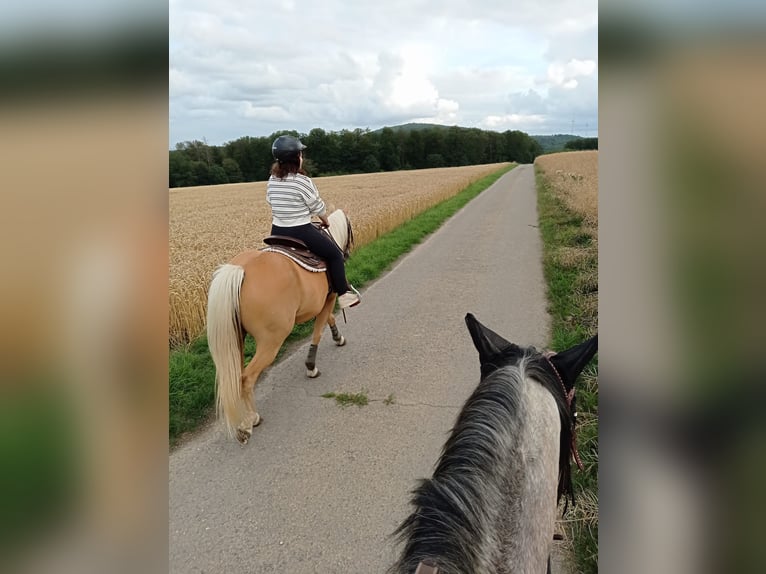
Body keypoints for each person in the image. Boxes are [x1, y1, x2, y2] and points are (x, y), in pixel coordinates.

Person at [266, 135, 361, 309]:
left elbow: (270, 201)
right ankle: (344, 294)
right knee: (335, 255)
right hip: (300, 231)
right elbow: (318, 207)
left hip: (276, 231)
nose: (302, 157)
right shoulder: (303, 181)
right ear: (296, 158)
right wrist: (325, 220)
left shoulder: (272, 180)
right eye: (301, 154)